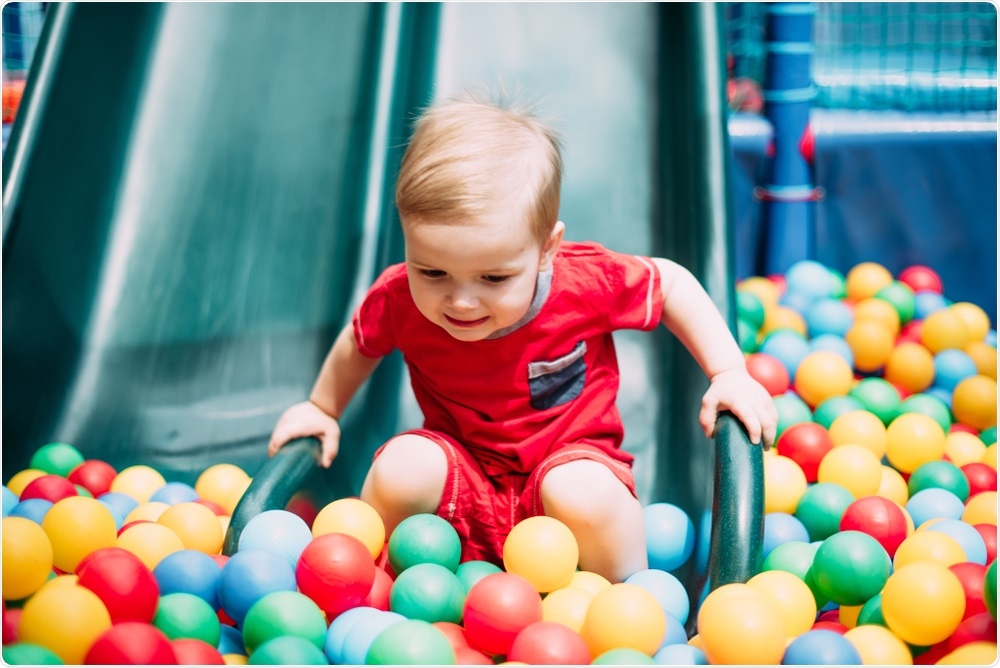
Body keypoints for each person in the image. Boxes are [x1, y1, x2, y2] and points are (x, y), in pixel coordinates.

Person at [268, 91, 777, 583]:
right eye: (433, 272)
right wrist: (322, 407)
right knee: (402, 463)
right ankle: (372, 592)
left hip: (567, 486)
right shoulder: (400, 297)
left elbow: (669, 284)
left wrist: (729, 373)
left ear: (546, 249)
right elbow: (360, 341)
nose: (461, 301)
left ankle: (628, 604)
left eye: (493, 278)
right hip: (460, 494)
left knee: (581, 490)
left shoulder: (583, 284)